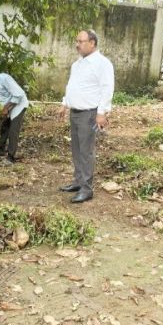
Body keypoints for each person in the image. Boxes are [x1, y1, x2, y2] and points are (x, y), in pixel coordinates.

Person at [58, 30, 114, 203]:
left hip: (89, 114)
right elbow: (72, 85)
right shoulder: (78, 64)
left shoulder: (102, 64)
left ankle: (86, 189)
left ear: (92, 43)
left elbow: (107, 88)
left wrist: (101, 113)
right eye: (77, 41)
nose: (77, 44)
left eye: (81, 41)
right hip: (75, 112)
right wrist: (65, 103)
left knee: (86, 151)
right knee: (76, 149)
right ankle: (78, 181)